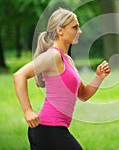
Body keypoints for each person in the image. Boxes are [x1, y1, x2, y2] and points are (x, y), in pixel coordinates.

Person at [13, 8, 111, 150]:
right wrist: (27, 110)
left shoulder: (67, 60)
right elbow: (19, 75)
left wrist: (99, 77)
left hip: (53, 130)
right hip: (48, 129)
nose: (80, 31)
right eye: (75, 27)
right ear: (60, 30)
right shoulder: (53, 56)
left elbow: (83, 94)